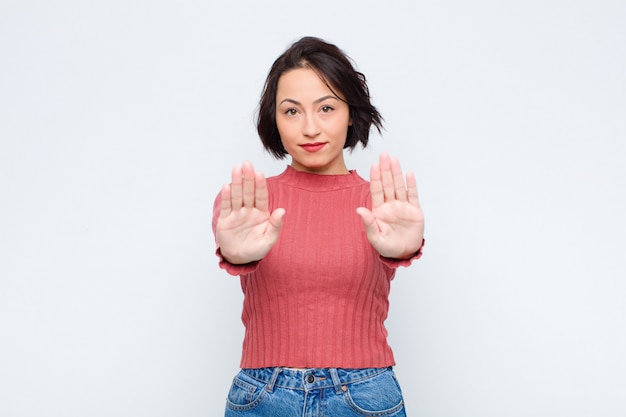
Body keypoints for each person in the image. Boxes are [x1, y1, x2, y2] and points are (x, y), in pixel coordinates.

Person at [212, 36, 425, 417]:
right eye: (292, 111)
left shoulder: (382, 203)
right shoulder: (248, 205)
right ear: (274, 119)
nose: (310, 128)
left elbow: (399, 244)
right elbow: (234, 244)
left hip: (362, 398)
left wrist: (403, 249)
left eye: (326, 108)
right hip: (263, 398)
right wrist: (235, 254)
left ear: (350, 113)